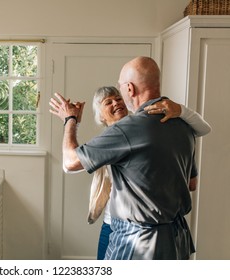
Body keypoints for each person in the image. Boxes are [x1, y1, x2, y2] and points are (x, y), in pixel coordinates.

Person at [49, 56, 201, 259]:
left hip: (139, 244)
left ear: (129, 88)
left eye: (120, 89)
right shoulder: (184, 126)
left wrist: (70, 120)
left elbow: (69, 162)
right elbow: (191, 184)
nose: (118, 97)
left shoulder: (128, 130)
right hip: (177, 241)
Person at [84, 86, 211, 259]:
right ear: (100, 115)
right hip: (111, 223)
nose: (116, 103)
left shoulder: (143, 131)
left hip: (139, 229)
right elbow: (71, 164)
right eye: (108, 102)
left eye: (118, 98)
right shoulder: (102, 143)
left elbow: (192, 182)